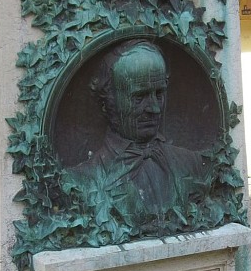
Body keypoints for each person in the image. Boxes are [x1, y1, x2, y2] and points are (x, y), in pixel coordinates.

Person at [67, 39, 209, 231]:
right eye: (139, 97)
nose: (155, 108)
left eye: (159, 94)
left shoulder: (191, 163)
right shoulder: (80, 181)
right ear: (106, 104)